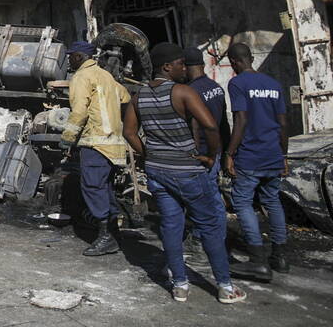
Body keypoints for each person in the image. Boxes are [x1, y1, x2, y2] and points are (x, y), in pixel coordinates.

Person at [122, 43, 246, 304]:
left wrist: (148, 154)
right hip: (188, 171)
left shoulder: (138, 96)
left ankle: (179, 285)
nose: (184, 68)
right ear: (167, 67)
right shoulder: (183, 92)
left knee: (171, 225)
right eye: (180, 63)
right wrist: (212, 156)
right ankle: (225, 286)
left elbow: (129, 133)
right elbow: (211, 127)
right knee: (211, 225)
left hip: (158, 171)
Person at [225, 42, 290, 280]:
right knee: (272, 201)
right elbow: (283, 124)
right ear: (251, 57)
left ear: (233, 61)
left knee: (242, 202)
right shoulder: (273, 84)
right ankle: (280, 256)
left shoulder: (237, 83)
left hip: (250, 156)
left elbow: (241, 120)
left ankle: (257, 259)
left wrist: (229, 153)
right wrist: (284, 155)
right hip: (273, 153)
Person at [60, 40, 130, 257]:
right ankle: (113, 232)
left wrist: (68, 138)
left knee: (92, 186)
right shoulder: (105, 75)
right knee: (104, 187)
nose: (69, 60)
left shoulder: (81, 77)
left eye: (71, 55)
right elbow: (126, 98)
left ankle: (107, 236)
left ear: (80, 57)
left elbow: (79, 111)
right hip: (113, 143)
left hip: (95, 141)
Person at [182, 47, 230, 264]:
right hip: (216, 150)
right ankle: (218, 239)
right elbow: (224, 124)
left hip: (201, 153)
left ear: (185, 67)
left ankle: (203, 242)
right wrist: (228, 152)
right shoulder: (215, 87)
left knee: (202, 200)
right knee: (213, 197)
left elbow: (195, 127)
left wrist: (193, 152)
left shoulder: (190, 91)